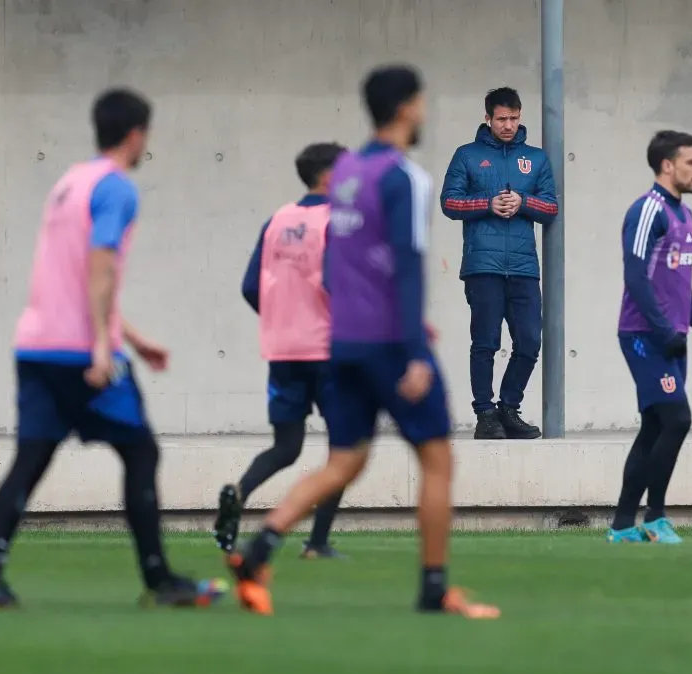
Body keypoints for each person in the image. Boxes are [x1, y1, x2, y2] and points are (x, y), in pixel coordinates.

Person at [224, 65, 500, 620]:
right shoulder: (405, 177)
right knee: (438, 460)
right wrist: (417, 349)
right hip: (389, 344)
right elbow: (407, 264)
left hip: (344, 341)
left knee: (344, 460)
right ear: (404, 107)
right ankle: (433, 588)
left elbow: (340, 264)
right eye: (421, 102)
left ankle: (258, 550)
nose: (424, 112)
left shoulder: (347, 172)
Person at [0, 88, 226, 612]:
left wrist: (131, 336)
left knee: (31, 459)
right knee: (141, 450)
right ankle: (160, 582)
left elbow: (75, 276)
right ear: (135, 135)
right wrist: (106, 348)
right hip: (77, 352)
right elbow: (99, 268)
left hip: (35, 346)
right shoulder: (117, 188)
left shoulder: (68, 183)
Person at [213, 142, 348, 560]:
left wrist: (280, 320)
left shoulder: (277, 221)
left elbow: (250, 286)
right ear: (328, 176)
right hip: (328, 350)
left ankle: (240, 490)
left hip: (283, 350)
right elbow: (337, 282)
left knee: (286, 447)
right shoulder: (338, 220)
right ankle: (317, 543)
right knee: (344, 449)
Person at [607, 131, 692, 546]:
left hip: (673, 337)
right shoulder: (647, 211)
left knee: (655, 426)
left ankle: (620, 526)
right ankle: (655, 516)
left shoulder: (685, 217)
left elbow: (677, 282)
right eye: (691, 162)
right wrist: (663, 330)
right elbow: (635, 277)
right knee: (677, 418)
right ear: (667, 165)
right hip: (642, 335)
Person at [439, 87, 559, 440]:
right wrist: (487, 204)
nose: (508, 125)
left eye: (514, 118)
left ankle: (508, 408)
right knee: (485, 342)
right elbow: (449, 202)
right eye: (502, 118)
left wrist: (522, 202)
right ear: (487, 118)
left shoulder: (536, 159)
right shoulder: (467, 155)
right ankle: (485, 414)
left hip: (523, 267)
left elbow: (551, 208)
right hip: (483, 265)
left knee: (529, 341)